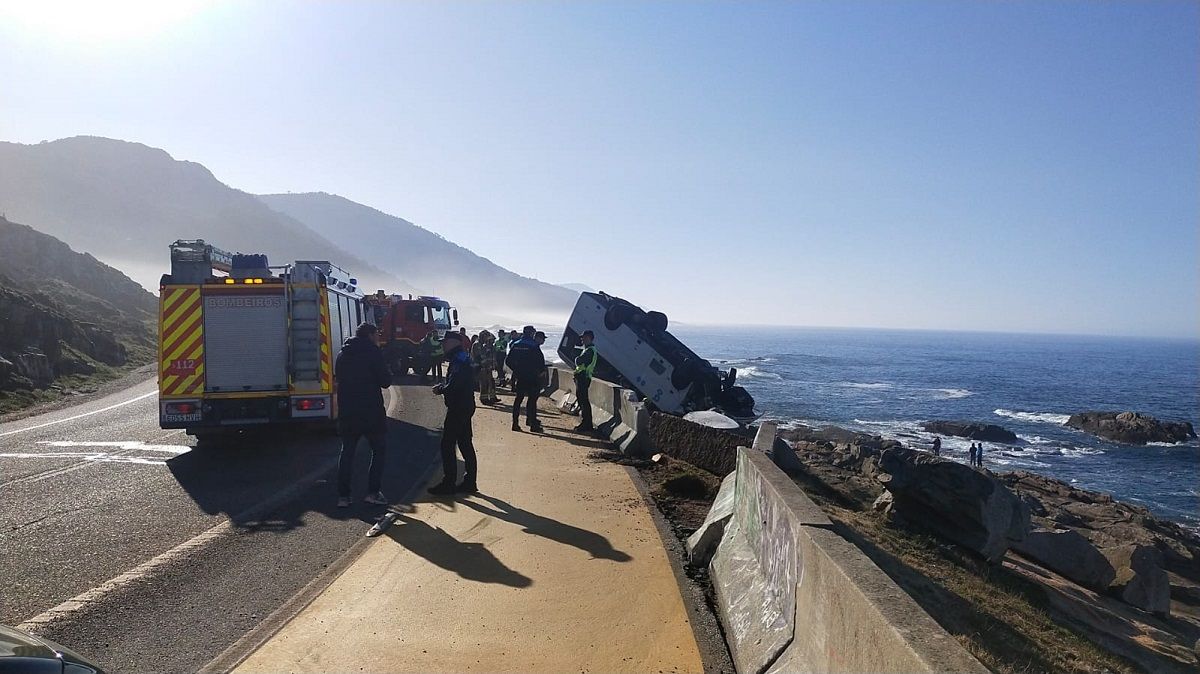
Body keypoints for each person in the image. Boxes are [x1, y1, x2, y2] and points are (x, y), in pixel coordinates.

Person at [334, 323, 392, 507]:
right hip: (370, 411)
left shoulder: (343, 353)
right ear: (370, 335)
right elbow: (385, 381)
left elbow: (338, 377)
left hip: (347, 410)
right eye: (377, 334)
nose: (378, 337)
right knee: (378, 450)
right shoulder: (373, 353)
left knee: (347, 453)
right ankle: (372, 493)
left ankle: (343, 497)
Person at [429, 332, 478, 495]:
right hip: (466, 404)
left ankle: (448, 483)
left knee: (447, 444)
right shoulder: (464, 357)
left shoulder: (459, 360)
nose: (443, 345)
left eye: (445, 342)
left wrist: (440, 389)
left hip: (458, 407)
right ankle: (470, 482)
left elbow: (455, 384)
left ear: (452, 342)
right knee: (465, 443)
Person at [506, 325, 545, 432]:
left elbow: (508, 361)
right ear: (532, 333)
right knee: (532, 401)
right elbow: (540, 363)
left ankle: (515, 424)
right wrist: (539, 373)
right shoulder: (533, 346)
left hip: (520, 376)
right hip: (532, 377)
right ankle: (533, 425)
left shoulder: (516, 344)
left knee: (518, 400)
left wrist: (517, 370)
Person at [573, 330, 598, 433]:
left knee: (583, 401)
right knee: (582, 400)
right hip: (582, 377)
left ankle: (586, 424)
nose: (582, 339)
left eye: (584, 337)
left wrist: (577, 359)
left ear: (589, 338)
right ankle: (586, 423)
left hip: (584, 378)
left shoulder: (590, 350)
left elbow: (579, 361)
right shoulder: (588, 349)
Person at [475, 330, 499, 404]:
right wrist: (483, 365)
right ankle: (484, 399)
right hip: (480, 367)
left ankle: (491, 397)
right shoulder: (477, 345)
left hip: (486, 367)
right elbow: (479, 357)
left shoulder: (483, 345)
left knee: (490, 382)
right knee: (484, 383)